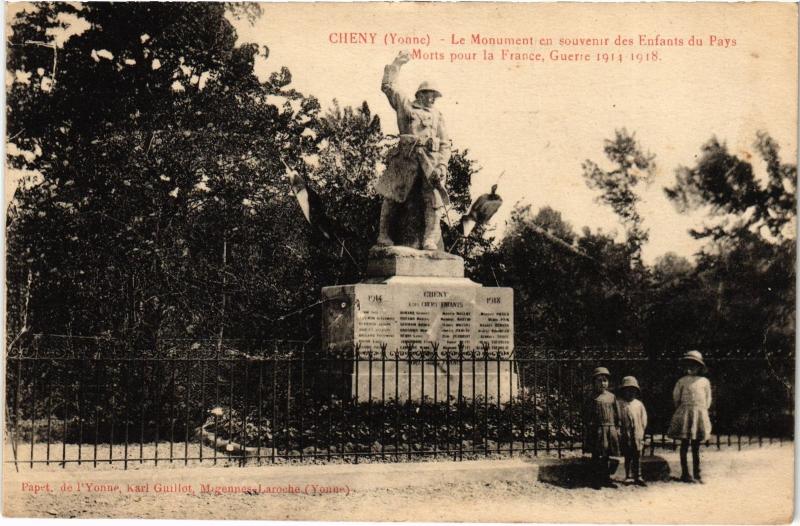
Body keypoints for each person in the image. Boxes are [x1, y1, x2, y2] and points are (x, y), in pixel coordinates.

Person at [376, 50, 451, 250]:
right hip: (406, 158)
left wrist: (443, 165)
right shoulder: (406, 106)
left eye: (435, 95)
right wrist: (396, 65)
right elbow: (388, 87)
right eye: (429, 93)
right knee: (392, 195)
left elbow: (445, 143)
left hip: (430, 162)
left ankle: (430, 238)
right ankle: (383, 235)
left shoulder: (438, 115)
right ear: (420, 94)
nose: (432, 98)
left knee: (433, 198)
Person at [667, 350, 712, 483]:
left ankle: (697, 473)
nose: (691, 368)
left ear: (700, 367)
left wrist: (702, 410)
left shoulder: (704, 381)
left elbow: (708, 398)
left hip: (699, 414)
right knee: (684, 444)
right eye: (689, 365)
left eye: (695, 365)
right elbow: (676, 397)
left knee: (696, 446)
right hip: (686, 413)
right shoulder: (682, 381)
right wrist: (683, 409)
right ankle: (685, 473)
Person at [583, 366, 621, 489]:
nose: (602, 383)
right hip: (597, 429)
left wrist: (617, 427)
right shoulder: (591, 397)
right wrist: (589, 426)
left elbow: (617, 413)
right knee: (597, 455)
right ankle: (596, 480)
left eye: (605, 380)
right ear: (594, 382)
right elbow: (586, 414)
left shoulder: (611, 397)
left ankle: (606, 479)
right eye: (599, 380)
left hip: (610, 428)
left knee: (607, 455)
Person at [617, 376, 648, 486]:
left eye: (633, 390)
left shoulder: (638, 404)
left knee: (637, 454)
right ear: (623, 391)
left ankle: (638, 475)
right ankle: (629, 476)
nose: (630, 393)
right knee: (628, 455)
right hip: (626, 433)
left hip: (637, 433)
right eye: (628, 390)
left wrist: (641, 430)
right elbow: (618, 418)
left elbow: (644, 418)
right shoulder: (620, 403)